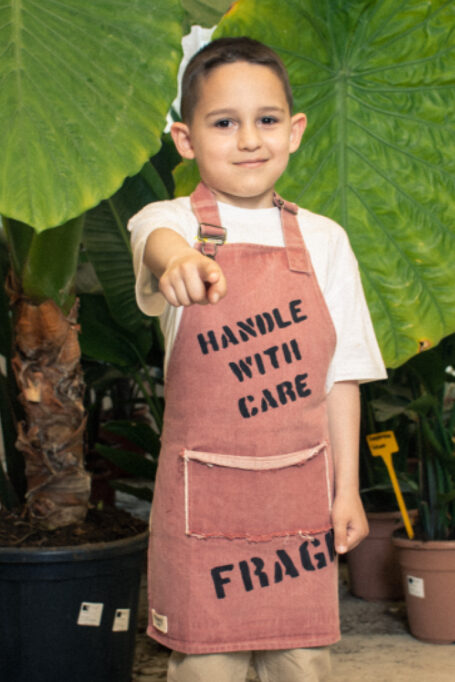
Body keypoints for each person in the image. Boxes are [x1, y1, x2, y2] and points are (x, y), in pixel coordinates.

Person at [128, 36, 386, 682]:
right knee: (206, 664)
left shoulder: (324, 241)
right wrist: (179, 262)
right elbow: (151, 239)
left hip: (298, 503)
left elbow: (340, 377)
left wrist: (346, 490)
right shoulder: (174, 222)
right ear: (184, 140)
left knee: (301, 661)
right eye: (223, 123)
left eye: (265, 120)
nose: (248, 140)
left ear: (293, 131)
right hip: (205, 504)